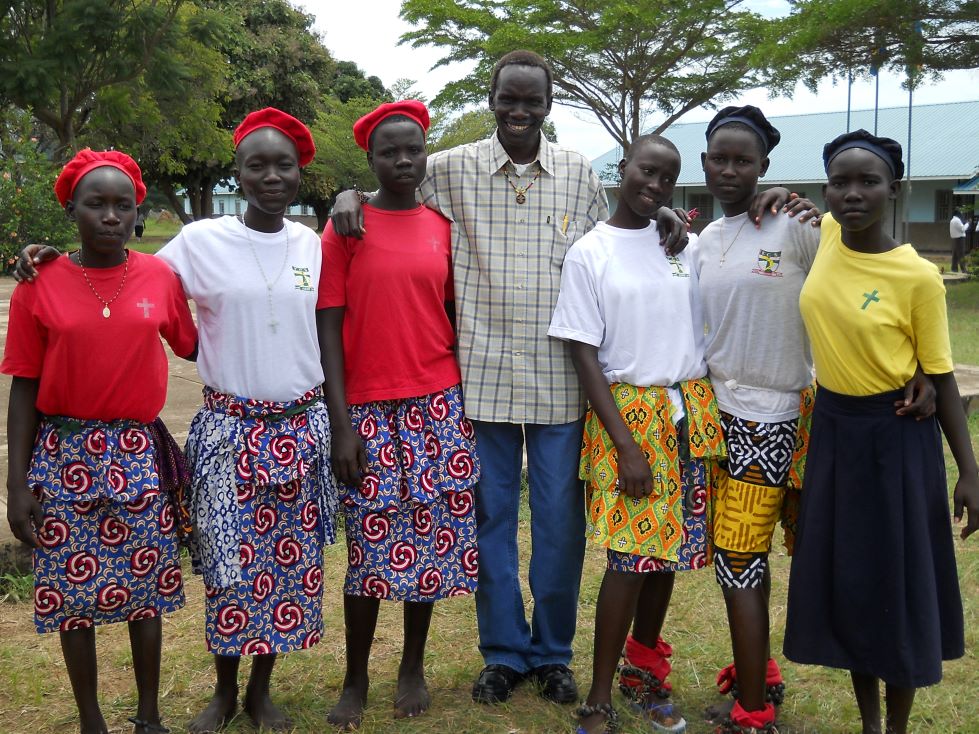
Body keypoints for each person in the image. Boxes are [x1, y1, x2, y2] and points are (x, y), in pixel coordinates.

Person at [694, 106, 934, 734]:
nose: (729, 169)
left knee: (751, 559)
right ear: (703, 163)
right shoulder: (703, 243)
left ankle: (752, 710)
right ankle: (761, 676)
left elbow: (864, 268)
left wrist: (921, 369)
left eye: (743, 160)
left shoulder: (798, 226)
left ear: (766, 166)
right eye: (719, 157)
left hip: (788, 418)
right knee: (745, 560)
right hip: (724, 418)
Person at [784, 129, 979, 734]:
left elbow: (942, 378)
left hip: (896, 438)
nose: (852, 193)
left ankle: (894, 728)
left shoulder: (916, 276)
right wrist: (778, 198)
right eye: (840, 181)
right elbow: (785, 206)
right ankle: (869, 723)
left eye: (868, 181)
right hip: (835, 434)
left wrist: (970, 472)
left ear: (894, 189)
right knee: (851, 578)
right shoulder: (831, 234)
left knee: (895, 579)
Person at [155, 107, 337, 733]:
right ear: (238, 172)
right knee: (230, 567)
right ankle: (224, 691)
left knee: (287, 564)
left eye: (282, 165)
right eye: (256, 165)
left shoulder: (313, 244)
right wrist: (53, 259)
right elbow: (135, 281)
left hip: (301, 427)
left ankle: (263, 690)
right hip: (230, 431)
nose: (270, 176)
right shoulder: (200, 241)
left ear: (298, 173)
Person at [3, 149, 198, 734]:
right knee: (70, 594)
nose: (110, 216)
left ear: (138, 213)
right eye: (96, 204)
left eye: (123, 205)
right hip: (63, 457)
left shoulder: (159, 278)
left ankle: (149, 717)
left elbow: (192, 342)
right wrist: (16, 485)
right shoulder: (40, 284)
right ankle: (91, 720)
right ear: (73, 209)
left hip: (138, 454)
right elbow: (23, 390)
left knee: (146, 588)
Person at [549, 134, 724, 734]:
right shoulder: (590, 252)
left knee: (667, 555)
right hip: (629, 418)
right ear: (621, 169)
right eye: (646, 171)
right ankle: (598, 697)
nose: (654, 185)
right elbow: (583, 351)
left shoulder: (684, 244)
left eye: (667, 178)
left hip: (689, 414)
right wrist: (625, 444)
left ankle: (643, 673)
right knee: (629, 560)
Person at [317, 100, 479, 729]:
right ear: (371, 159)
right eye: (390, 151)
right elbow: (328, 323)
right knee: (368, 548)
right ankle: (355, 677)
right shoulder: (346, 228)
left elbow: (452, 313)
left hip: (437, 402)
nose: (404, 160)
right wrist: (341, 422)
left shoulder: (442, 225)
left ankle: (412, 666)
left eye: (413, 149)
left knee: (428, 543)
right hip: (367, 408)